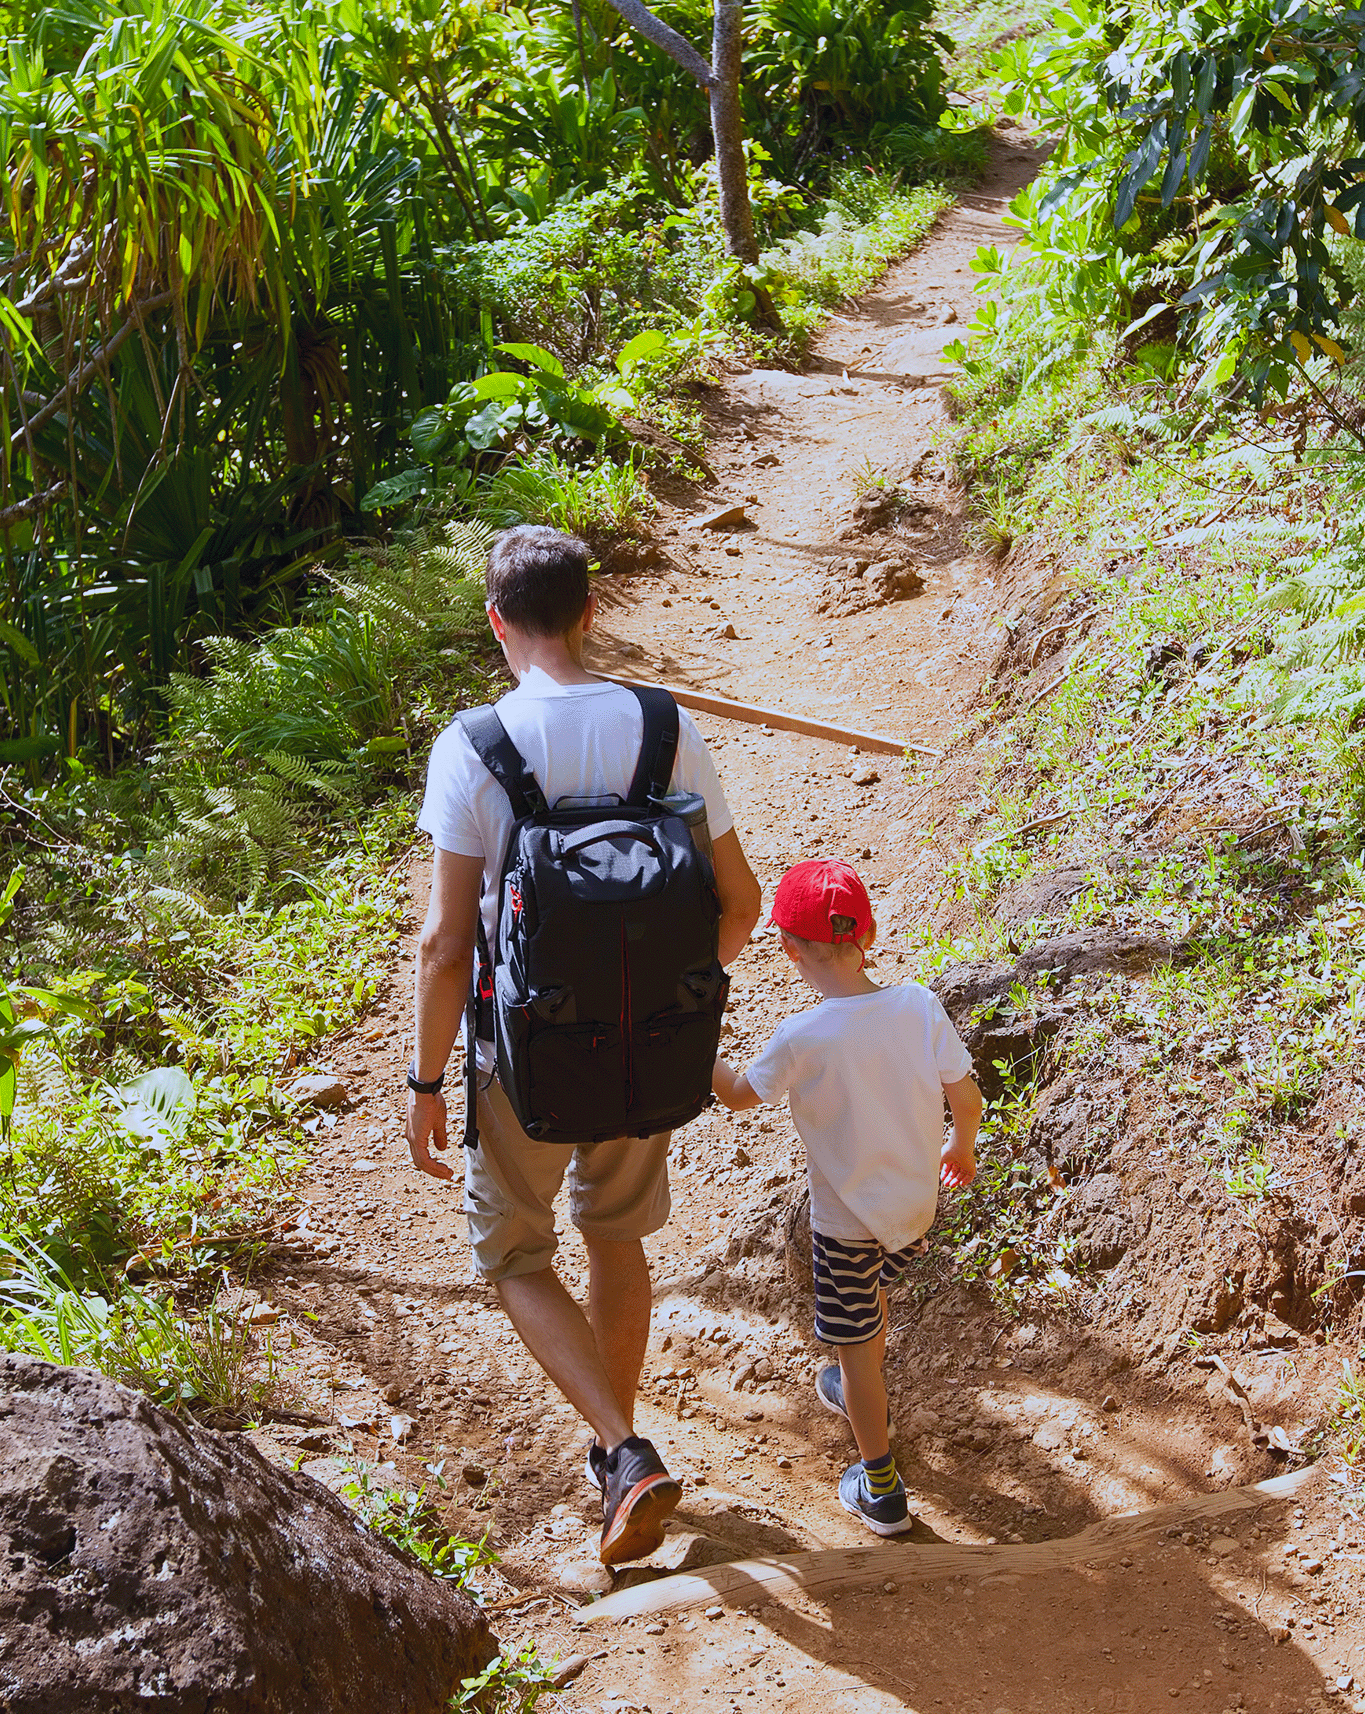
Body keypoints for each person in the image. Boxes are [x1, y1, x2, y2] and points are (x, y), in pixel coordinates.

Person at [406, 524, 763, 1565]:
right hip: (648, 1047)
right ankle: (621, 1456)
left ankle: (621, 1447)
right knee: (616, 1236)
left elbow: (442, 942)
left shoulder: (475, 745)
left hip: (522, 1060)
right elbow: (737, 903)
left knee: (515, 1252)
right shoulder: (664, 725)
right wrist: (674, 997)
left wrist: (426, 1078)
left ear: (496, 623)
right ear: (590, 611)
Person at [709, 857, 981, 1537]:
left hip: (845, 1225)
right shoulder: (917, 1004)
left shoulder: (803, 1037)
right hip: (916, 1209)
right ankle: (855, 1387)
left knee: (856, 1352)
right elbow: (966, 1095)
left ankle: (881, 1487)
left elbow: (739, 1096)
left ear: (788, 948)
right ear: (870, 934)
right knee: (871, 1308)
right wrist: (961, 1147)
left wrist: (700, 1052)